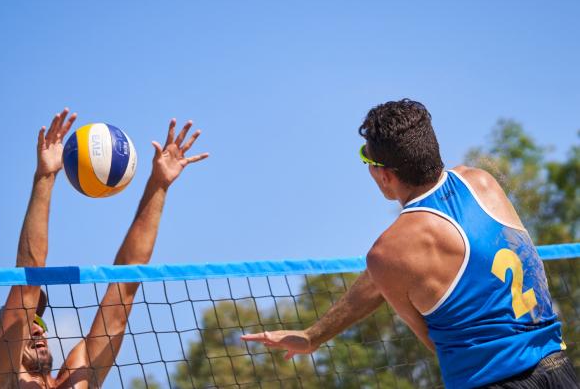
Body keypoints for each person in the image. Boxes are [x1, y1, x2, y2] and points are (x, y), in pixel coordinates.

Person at [242, 99, 577, 388]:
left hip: (491, 381)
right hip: (558, 368)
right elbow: (379, 282)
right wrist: (313, 336)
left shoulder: (390, 252)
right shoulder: (482, 182)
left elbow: (436, 341)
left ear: (384, 175)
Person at [0, 109, 208, 388]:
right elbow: (27, 286)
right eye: (28, 323)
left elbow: (123, 290)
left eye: (38, 321)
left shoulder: (75, 382)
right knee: (26, 292)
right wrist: (45, 178)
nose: (37, 327)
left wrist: (158, 185)